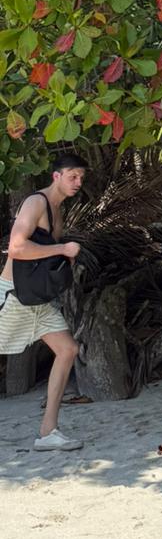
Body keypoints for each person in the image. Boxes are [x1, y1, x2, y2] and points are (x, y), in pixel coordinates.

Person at [0, 152, 86, 452]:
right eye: (72, 176)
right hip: (12, 296)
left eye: (81, 177)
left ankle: (48, 432)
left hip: (35, 300)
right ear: (56, 176)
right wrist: (62, 247)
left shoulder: (57, 211)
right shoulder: (36, 202)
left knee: (68, 349)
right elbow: (16, 247)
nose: (78, 182)